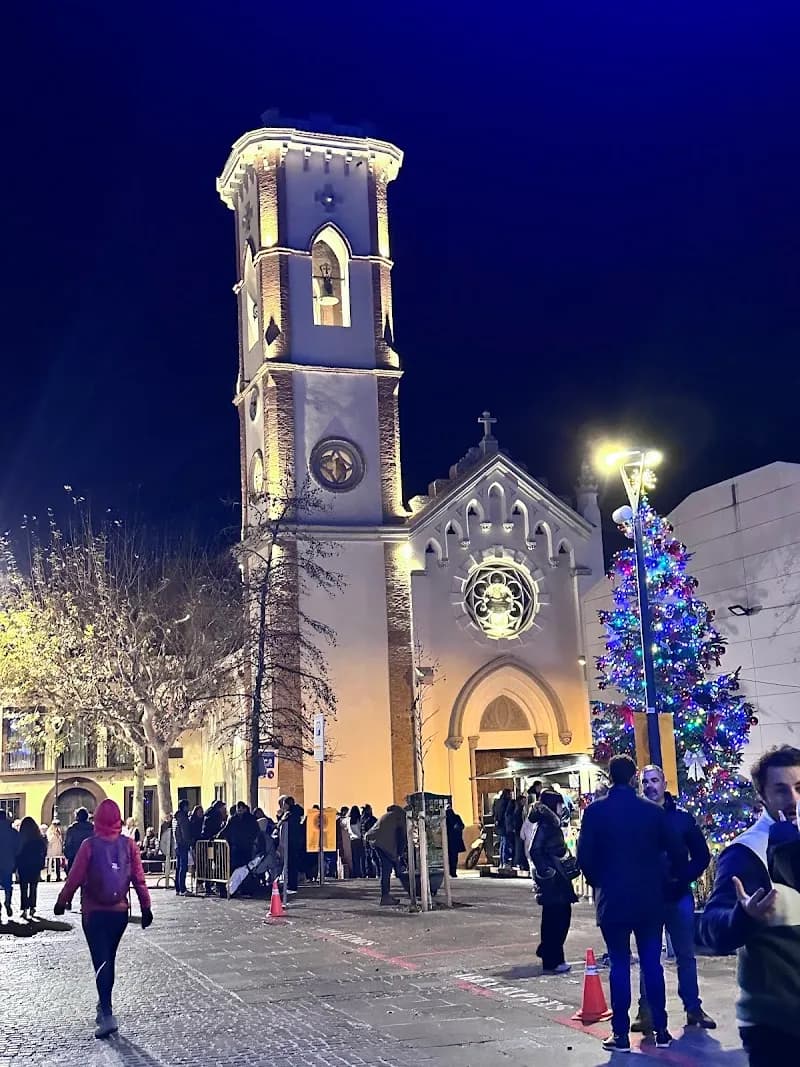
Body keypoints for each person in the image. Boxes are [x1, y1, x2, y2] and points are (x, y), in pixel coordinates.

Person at [697, 745, 800, 1066]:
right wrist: (743, 915)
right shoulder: (746, 852)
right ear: (763, 797)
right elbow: (712, 929)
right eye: (781, 790)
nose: (794, 799)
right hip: (778, 1027)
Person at [577, 753, 686, 1052]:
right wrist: (664, 878)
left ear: (610, 776)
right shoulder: (652, 812)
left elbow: (584, 857)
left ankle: (621, 1034)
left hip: (613, 900)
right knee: (652, 963)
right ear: (634, 776)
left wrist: (600, 882)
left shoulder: (596, 812)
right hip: (649, 900)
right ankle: (661, 1030)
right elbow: (678, 853)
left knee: (620, 964)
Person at [54, 799, 152, 1039]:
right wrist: (146, 907)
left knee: (101, 959)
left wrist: (61, 901)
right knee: (109, 957)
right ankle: (103, 1004)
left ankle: (107, 1013)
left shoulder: (90, 845)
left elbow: (75, 877)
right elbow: (139, 879)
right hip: (119, 912)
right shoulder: (129, 845)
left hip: (94, 911)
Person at [635, 765, 715, 1031]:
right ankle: (646, 1011)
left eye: (654, 780)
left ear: (664, 783)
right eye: (645, 781)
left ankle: (693, 1008)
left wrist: (683, 877)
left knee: (685, 955)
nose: (650, 786)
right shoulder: (636, 818)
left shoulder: (681, 818)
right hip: (648, 898)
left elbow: (702, 855)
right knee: (648, 957)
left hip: (678, 895)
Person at [529, 790, 578, 974]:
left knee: (554, 917)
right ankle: (553, 957)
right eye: (559, 804)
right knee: (558, 919)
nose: (562, 808)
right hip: (554, 880)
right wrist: (547, 870)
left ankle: (549, 953)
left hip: (557, 877)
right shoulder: (547, 825)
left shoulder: (549, 824)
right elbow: (535, 850)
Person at [365, 804, 407, 905]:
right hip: (384, 844)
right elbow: (402, 837)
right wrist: (400, 853)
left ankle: (386, 895)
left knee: (386, 868)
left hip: (374, 841)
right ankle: (385, 897)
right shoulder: (400, 818)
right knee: (386, 869)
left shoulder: (387, 816)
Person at [15, 816, 47, 920]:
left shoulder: (20, 838)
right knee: (33, 887)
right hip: (35, 865)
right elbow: (43, 851)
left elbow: (17, 852)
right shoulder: (38, 838)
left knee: (23, 887)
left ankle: (24, 909)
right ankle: (32, 907)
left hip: (23, 865)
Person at [0, 809, 20, 918]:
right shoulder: (12, 832)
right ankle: (7, 902)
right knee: (8, 885)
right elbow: (18, 847)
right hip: (8, 861)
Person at [64, 808, 95, 873]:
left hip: (74, 858)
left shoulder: (72, 829)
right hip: (90, 859)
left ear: (77, 816)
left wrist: (68, 855)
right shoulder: (93, 828)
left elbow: (67, 844)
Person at [173, 798, 191, 896]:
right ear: (184, 807)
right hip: (182, 844)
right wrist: (188, 842)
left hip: (177, 845)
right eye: (187, 806)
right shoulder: (183, 818)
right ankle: (182, 888)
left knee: (178, 866)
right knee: (183, 867)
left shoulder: (175, 818)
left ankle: (178, 887)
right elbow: (184, 832)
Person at [492, 788, 513, 869]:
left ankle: (502, 862)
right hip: (505, 826)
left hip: (499, 826)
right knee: (506, 844)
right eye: (510, 794)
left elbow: (494, 814)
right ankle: (505, 862)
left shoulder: (497, 802)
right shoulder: (506, 802)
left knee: (502, 843)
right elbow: (506, 815)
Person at [445, 803, 466, 878]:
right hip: (456, 841)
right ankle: (453, 872)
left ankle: (450, 871)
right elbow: (462, 826)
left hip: (448, 842)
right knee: (454, 857)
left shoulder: (445, 819)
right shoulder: (456, 817)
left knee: (449, 857)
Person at [346, 805, 365, 877]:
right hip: (359, 840)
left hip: (352, 840)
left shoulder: (348, 820)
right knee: (361, 857)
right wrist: (360, 836)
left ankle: (355, 872)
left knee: (354, 858)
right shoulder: (358, 819)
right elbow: (359, 829)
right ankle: (361, 872)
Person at [362, 804, 378, 877]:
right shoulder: (372, 819)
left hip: (365, 841)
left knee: (367, 858)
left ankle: (369, 873)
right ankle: (377, 872)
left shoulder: (362, 819)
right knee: (375, 857)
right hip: (372, 840)